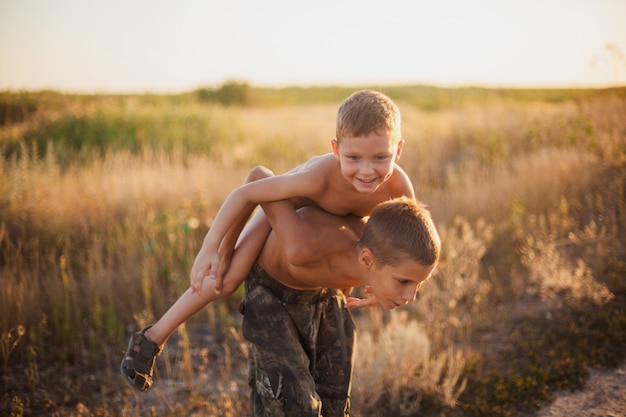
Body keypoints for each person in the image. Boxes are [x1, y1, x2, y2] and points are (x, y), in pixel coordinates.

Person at [121, 89, 415, 391]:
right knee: (225, 277)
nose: (367, 170)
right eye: (353, 157)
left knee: (340, 282)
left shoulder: (399, 188)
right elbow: (245, 195)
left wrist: (387, 286)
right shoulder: (319, 177)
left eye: (381, 157)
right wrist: (211, 248)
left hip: (323, 232)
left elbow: (411, 247)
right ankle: (151, 339)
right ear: (336, 149)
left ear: (399, 150)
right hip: (282, 207)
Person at [123, 166, 440, 416]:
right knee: (224, 279)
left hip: (322, 291)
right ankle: (149, 339)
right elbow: (258, 179)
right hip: (273, 284)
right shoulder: (305, 244)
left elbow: (402, 224)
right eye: (403, 282)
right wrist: (221, 246)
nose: (411, 296)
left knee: (333, 403)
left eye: (418, 284)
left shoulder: (378, 241)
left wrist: (381, 290)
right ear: (368, 260)